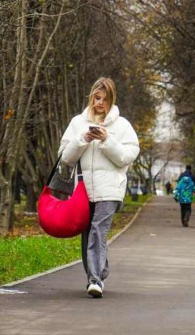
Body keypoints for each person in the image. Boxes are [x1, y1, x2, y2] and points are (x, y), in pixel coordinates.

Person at [58, 77, 140, 299]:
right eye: (97, 98)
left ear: (111, 99)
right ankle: (100, 271)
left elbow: (126, 157)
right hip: (83, 189)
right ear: (91, 97)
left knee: (98, 230)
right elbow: (65, 157)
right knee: (88, 234)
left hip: (110, 189)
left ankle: (94, 280)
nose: (100, 103)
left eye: (104, 98)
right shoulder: (78, 123)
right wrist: (83, 138)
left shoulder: (122, 126)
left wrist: (106, 140)